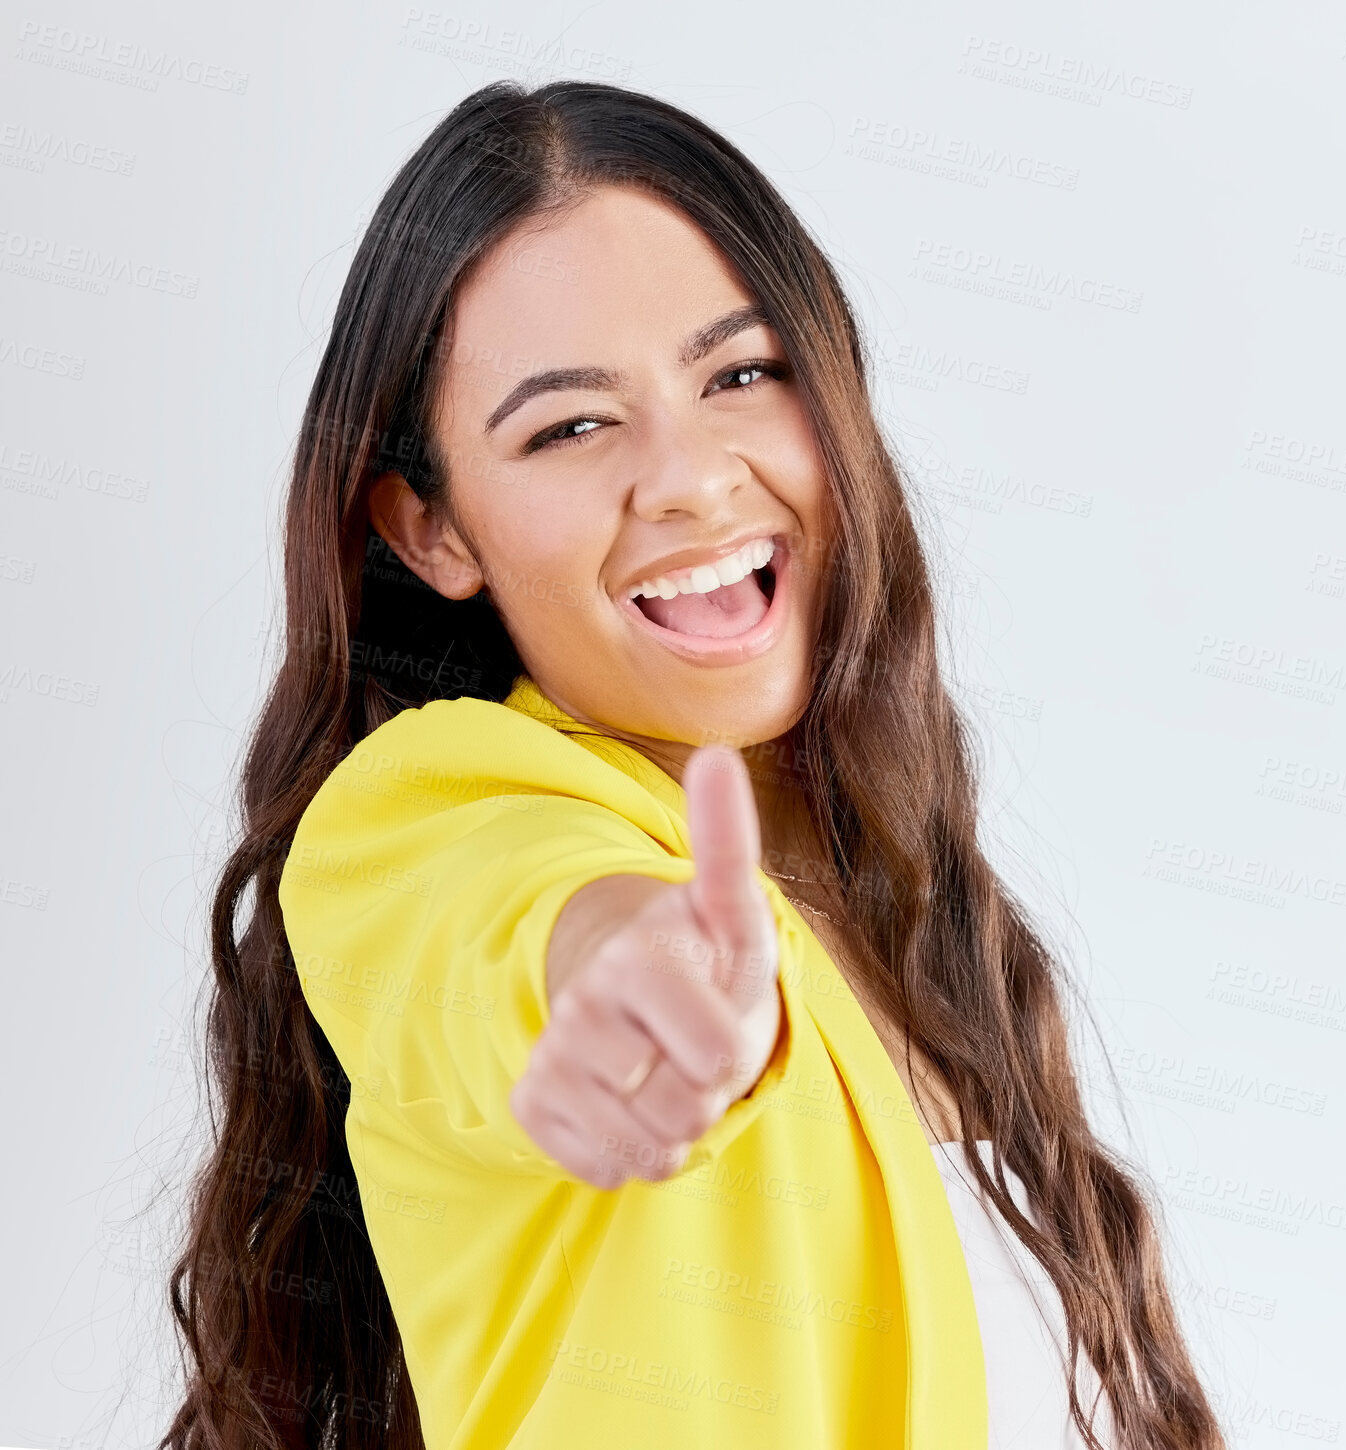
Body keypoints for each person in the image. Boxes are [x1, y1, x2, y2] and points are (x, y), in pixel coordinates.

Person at [161, 80, 1226, 1450]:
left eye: (739, 374)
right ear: (431, 529)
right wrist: (629, 974)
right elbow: (526, 926)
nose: (688, 476)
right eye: (568, 425)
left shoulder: (906, 912)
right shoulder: (418, 815)